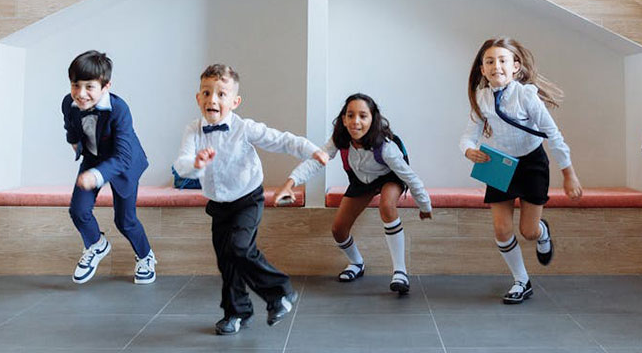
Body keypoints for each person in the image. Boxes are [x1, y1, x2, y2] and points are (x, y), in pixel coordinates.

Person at [173, 63, 328, 336]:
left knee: (240, 247)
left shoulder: (244, 128)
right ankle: (236, 313)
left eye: (221, 94)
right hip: (218, 204)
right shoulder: (193, 130)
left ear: (235, 101)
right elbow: (182, 163)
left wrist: (311, 150)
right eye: (206, 93)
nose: (213, 100)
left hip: (247, 198)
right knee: (226, 260)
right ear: (198, 98)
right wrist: (196, 163)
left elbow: (281, 140)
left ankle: (280, 293)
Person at [459, 37, 582, 304]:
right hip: (498, 162)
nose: (496, 66)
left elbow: (553, 134)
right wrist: (468, 150)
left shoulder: (526, 95)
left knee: (528, 231)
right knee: (502, 229)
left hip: (531, 163)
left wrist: (568, 173)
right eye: (489, 61)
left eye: (503, 60)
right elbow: (468, 136)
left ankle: (542, 232)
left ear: (516, 67)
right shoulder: (481, 98)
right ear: (482, 69)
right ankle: (521, 281)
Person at [273, 93, 433, 294]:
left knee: (387, 205)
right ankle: (357, 263)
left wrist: (425, 205)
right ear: (343, 119)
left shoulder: (385, 147)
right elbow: (315, 162)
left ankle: (400, 271)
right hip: (361, 181)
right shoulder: (340, 139)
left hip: (389, 177)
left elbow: (411, 177)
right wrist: (290, 182)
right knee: (338, 229)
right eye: (350, 115)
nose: (356, 122)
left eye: (363, 116)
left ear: (372, 119)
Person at [61, 50, 157, 285]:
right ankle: (96, 244)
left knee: (125, 220)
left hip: (123, 163)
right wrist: (76, 147)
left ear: (106, 86)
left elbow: (123, 155)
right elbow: (71, 128)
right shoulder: (68, 102)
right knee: (78, 210)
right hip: (93, 157)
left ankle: (146, 256)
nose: (81, 94)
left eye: (89, 87)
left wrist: (97, 175)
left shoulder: (119, 109)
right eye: (76, 85)